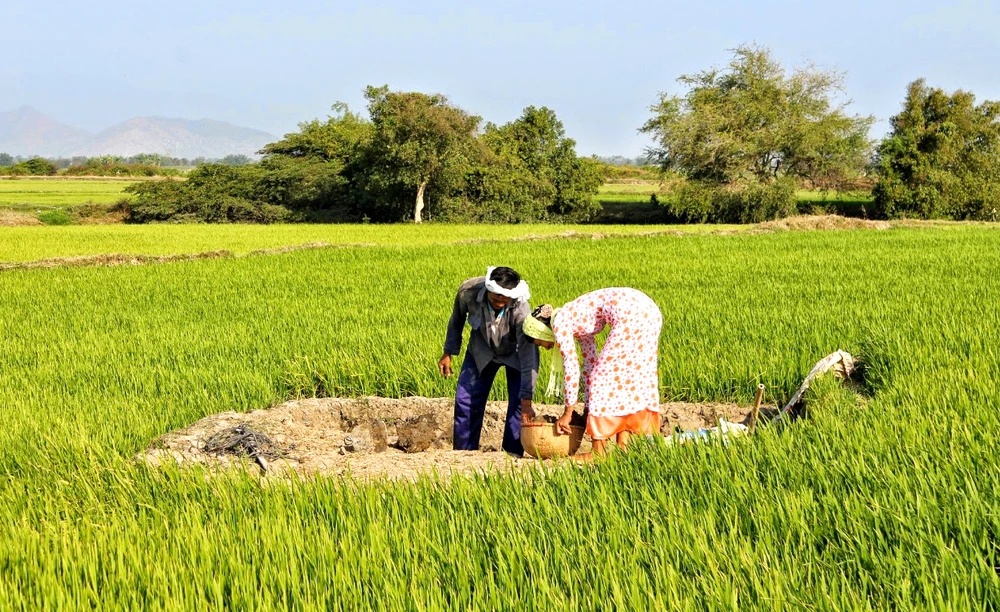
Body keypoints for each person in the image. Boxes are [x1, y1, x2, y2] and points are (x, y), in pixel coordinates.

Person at [521, 288, 662, 459]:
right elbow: (589, 363)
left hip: (630, 315)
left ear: (541, 331)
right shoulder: (574, 316)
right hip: (650, 311)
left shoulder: (560, 322)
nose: (546, 347)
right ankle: (623, 446)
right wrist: (589, 409)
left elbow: (572, 367)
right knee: (625, 379)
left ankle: (598, 451)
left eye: (540, 343)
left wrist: (568, 413)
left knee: (600, 380)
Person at [439, 266, 538, 455]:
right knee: (465, 400)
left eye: (505, 297)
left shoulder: (521, 311)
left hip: (514, 353)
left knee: (519, 405)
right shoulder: (468, 292)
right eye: (496, 295)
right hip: (481, 349)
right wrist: (448, 352)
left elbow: (528, 357)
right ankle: (464, 453)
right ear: (488, 287)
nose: (500, 300)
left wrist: (527, 400)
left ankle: (512, 454)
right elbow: (456, 320)